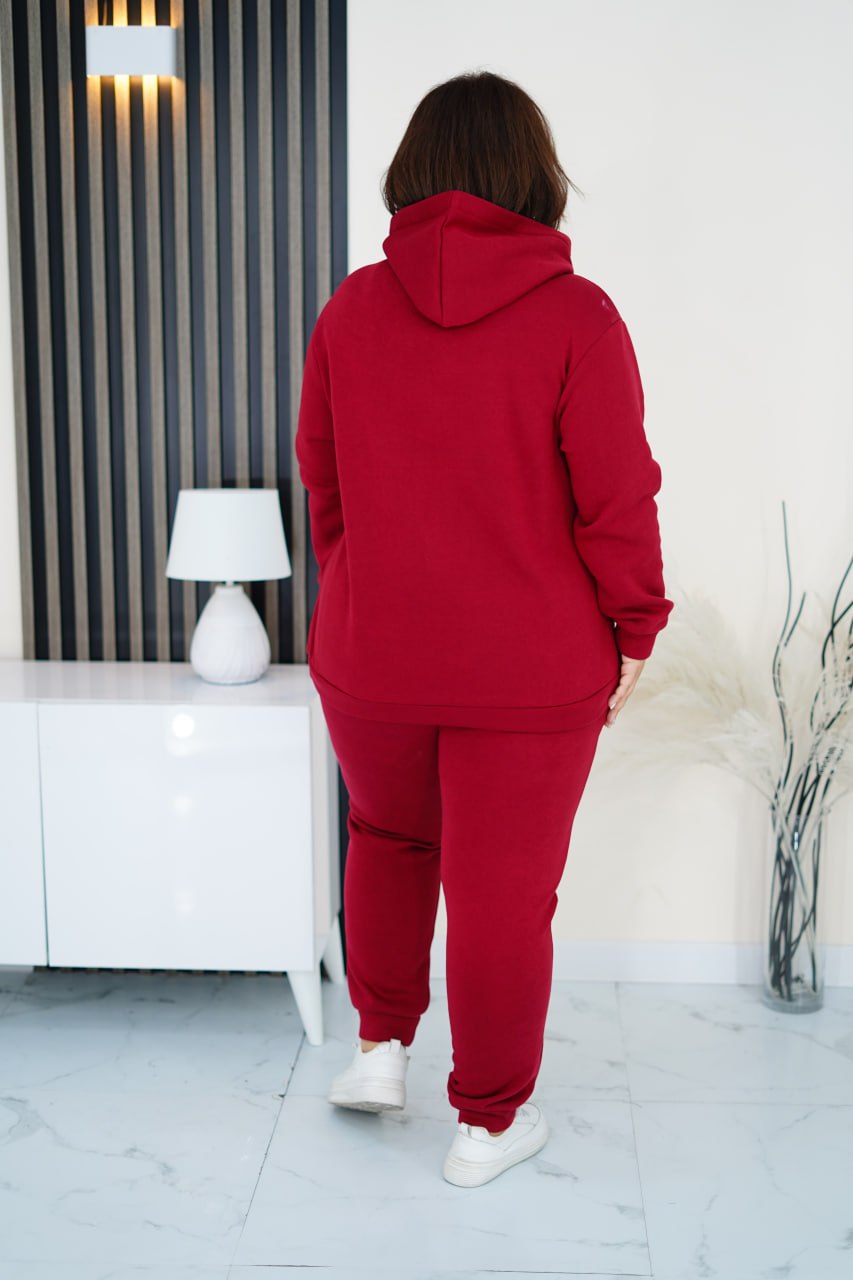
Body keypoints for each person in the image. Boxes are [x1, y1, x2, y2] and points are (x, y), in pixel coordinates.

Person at [295, 69, 674, 1189]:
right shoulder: (577, 316)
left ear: (412, 169)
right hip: (532, 669)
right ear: (534, 174)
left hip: (372, 654)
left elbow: (324, 480)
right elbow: (617, 497)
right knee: (502, 892)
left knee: (387, 839)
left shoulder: (351, 310)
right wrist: (636, 627)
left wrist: (360, 587)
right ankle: (489, 1124)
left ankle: (379, 1049)